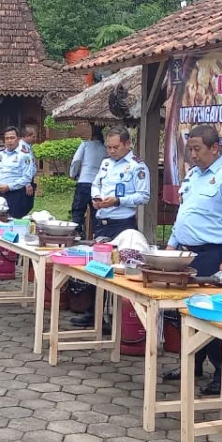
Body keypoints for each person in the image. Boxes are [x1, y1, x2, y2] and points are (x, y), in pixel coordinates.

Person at [161, 125, 222, 397]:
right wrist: (170, 248)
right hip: (186, 254)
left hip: (214, 255)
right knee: (185, 312)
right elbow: (183, 216)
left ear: (214, 148)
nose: (193, 154)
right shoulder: (192, 176)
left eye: (197, 149)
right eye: (190, 149)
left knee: (213, 318)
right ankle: (193, 364)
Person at [71, 126, 151, 329]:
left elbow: (143, 196)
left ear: (127, 144)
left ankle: (116, 316)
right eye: (109, 147)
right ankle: (93, 313)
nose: (112, 151)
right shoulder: (106, 163)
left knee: (118, 270)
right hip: (102, 222)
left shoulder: (137, 167)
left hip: (122, 225)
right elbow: (95, 184)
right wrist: (96, 198)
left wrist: (118, 201)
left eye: (116, 147)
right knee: (97, 267)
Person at [0, 127, 36, 219]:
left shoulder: (24, 156)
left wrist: (9, 187)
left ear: (18, 139)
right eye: (7, 138)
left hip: (15, 195)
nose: (10, 141)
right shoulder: (0, 154)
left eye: (12, 138)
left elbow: (27, 178)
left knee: (12, 223)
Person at [69, 127, 107, 238]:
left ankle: (76, 232)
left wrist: (73, 173)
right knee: (96, 212)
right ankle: (97, 235)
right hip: (98, 184)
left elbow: (76, 160)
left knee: (78, 209)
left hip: (84, 181)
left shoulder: (85, 145)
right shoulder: (105, 149)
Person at [21, 124, 40, 214]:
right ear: (27, 136)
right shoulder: (21, 148)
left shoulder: (28, 147)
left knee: (28, 204)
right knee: (24, 204)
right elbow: (23, 166)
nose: (35, 138)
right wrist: (27, 183)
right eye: (33, 136)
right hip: (24, 181)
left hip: (29, 178)